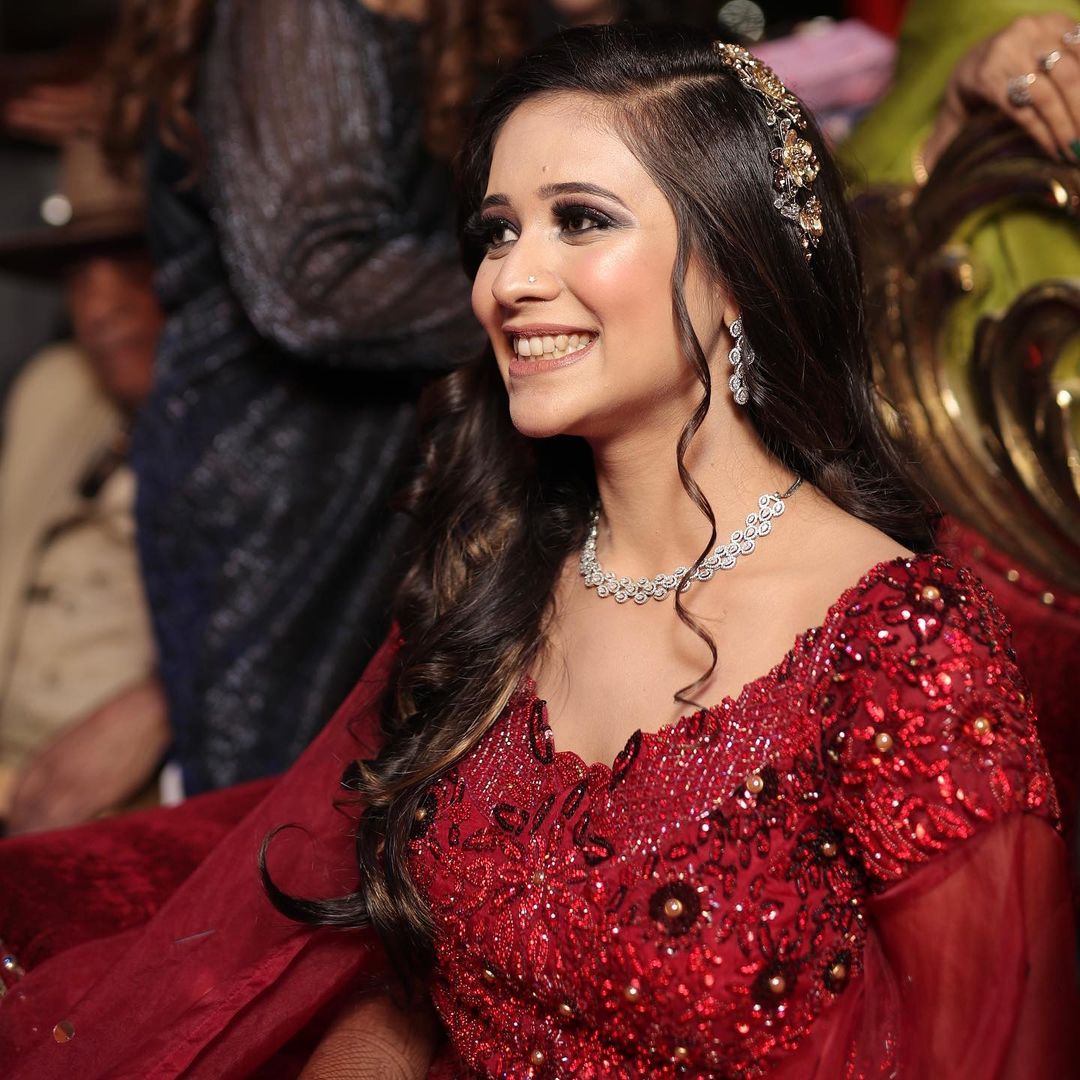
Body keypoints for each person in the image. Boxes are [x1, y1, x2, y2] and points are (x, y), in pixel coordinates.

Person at [0, 22, 1075, 1078]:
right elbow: (400, 973)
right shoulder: (500, 577)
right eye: (498, 230)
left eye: (580, 220)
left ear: (739, 264)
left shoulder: (900, 640)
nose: (509, 282)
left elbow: (991, 1043)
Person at [100, 0, 521, 795]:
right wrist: (550, 298)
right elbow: (315, 278)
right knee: (273, 819)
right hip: (279, 472)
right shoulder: (290, 16)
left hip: (396, 458)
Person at [0, 134, 166, 833]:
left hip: (124, 801)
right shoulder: (56, 390)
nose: (99, 307)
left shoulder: (259, 433)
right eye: (78, 277)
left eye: (128, 265)